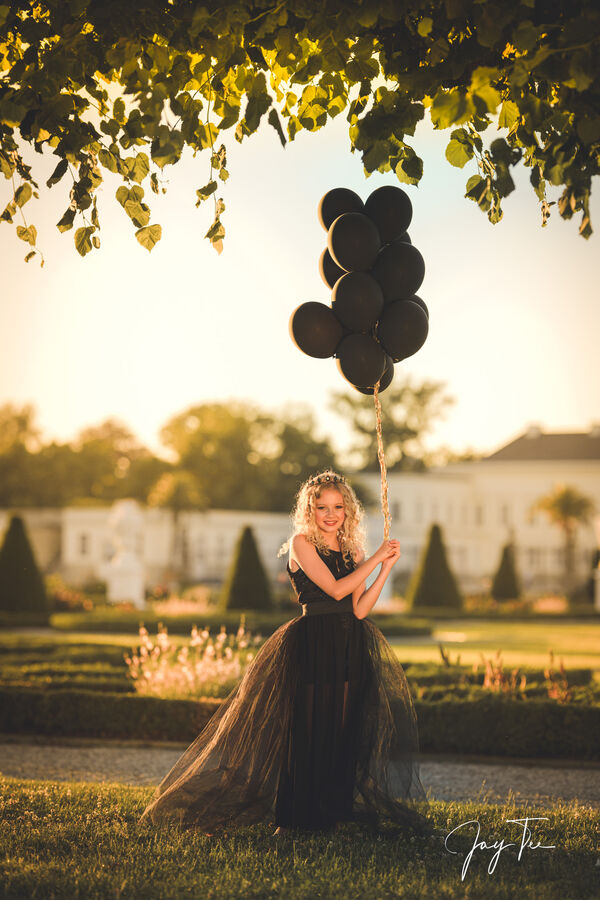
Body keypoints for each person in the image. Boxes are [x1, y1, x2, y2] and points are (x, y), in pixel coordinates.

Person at [139, 469, 431, 837]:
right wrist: (375, 559)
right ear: (309, 509)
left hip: (349, 644)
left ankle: (330, 814)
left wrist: (385, 567)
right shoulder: (301, 543)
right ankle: (294, 818)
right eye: (321, 506)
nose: (330, 513)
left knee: (342, 731)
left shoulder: (354, 551)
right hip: (314, 642)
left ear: (348, 510)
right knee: (309, 730)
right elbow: (336, 590)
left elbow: (358, 609)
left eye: (338, 506)